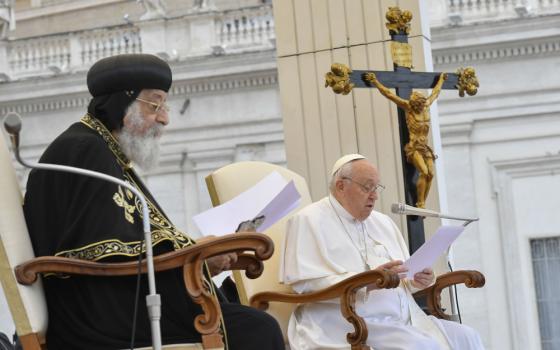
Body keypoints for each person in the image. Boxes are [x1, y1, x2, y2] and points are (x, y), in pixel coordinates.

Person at [23, 53, 284, 350]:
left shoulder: (101, 148)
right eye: (155, 104)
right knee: (256, 328)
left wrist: (199, 261)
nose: (165, 117)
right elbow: (106, 252)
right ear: (123, 102)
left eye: (165, 105)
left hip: (112, 303)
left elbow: (129, 244)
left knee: (247, 315)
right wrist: (196, 258)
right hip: (97, 316)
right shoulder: (84, 150)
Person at [280, 154, 484, 350]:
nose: (374, 196)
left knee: (467, 336)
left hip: (399, 320)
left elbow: (399, 280)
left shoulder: (382, 222)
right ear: (341, 185)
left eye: (376, 188)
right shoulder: (308, 220)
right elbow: (304, 285)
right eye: (367, 187)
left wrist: (415, 280)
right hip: (341, 320)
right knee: (421, 346)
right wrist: (366, 282)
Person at [364, 72, 447, 208]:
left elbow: (435, 93)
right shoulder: (409, 107)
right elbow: (389, 94)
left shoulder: (426, 106)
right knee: (424, 172)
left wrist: (442, 80)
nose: (420, 107)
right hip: (414, 147)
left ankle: (422, 202)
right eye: (418, 105)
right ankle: (420, 202)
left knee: (431, 174)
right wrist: (375, 81)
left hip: (425, 147)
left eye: (421, 105)